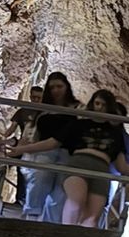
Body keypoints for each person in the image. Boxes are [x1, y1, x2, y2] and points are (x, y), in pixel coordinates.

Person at [6, 71, 79, 220]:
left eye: (59, 86)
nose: (56, 90)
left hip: (66, 154)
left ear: (67, 87)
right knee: (37, 188)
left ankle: (49, 227)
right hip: (42, 154)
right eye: (52, 87)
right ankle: (30, 223)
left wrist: (21, 149)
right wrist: (17, 146)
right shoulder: (43, 110)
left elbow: (57, 140)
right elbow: (31, 132)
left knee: (59, 196)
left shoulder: (77, 108)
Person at [58, 88, 129, 227]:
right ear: (92, 103)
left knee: (92, 218)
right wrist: (20, 149)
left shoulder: (117, 132)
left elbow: (123, 166)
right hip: (80, 162)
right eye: (97, 103)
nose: (100, 108)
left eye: (104, 105)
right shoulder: (80, 124)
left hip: (102, 169)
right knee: (76, 201)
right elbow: (55, 141)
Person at [0, 84, 43, 208]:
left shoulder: (46, 113)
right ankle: (21, 199)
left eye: (39, 98)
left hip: (39, 147)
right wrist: (2, 136)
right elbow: (11, 129)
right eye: (34, 98)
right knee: (22, 172)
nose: (36, 100)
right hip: (24, 146)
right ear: (30, 97)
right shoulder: (23, 111)